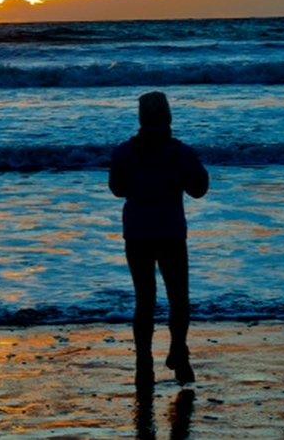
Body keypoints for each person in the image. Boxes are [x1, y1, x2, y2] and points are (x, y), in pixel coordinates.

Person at [108, 91, 209, 385]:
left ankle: (144, 364)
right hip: (170, 232)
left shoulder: (124, 153)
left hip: (138, 232)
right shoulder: (180, 153)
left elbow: (117, 188)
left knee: (145, 300)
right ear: (168, 117)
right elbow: (200, 189)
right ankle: (179, 352)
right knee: (178, 298)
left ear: (141, 118)